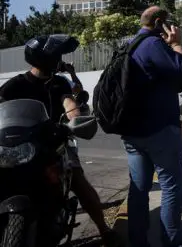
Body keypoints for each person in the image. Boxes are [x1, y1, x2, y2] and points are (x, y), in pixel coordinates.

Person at [0, 35, 121, 246]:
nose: (60, 60)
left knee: (78, 181)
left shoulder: (59, 83)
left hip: (53, 143)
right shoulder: (15, 85)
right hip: (20, 145)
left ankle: (103, 229)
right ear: (48, 59)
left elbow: (69, 105)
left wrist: (74, 119)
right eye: (57, 56)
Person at [122, 6, 182, 247]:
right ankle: (172, 242)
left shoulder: (129, 44)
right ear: (161, 22)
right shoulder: (153, 45)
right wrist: (176, 45)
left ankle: (138, 242)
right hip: (159, 128)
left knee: (138, 190)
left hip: (132, 131)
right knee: (172, 186)